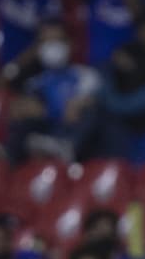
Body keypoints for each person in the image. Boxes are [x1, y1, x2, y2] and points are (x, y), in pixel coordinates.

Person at [7, 20, 101, 163]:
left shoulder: (86, 74)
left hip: (74, 135)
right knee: (20, 115)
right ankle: (9, 160)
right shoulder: (34, 82)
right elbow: (29, 109)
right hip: (44, 134)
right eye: (46, 42)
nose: (52, 47)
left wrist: (79, 102)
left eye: (57, 40)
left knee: (90, 110)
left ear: (70, 43)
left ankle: (66, 146)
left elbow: (95, 101)